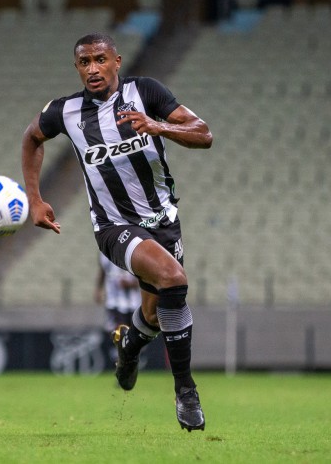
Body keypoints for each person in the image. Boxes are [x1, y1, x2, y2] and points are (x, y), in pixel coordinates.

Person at [21, 33, 212, 431]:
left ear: (116, 61)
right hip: (113, 226)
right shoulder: (66, 111)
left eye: (100, 59)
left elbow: (203, 134)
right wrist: (35, 200)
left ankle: (129, 346)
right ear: (77, 68)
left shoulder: (146, 93)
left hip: (163, 222)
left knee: (154, 313)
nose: (93, 68)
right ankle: (186, 392)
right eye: (85, 62)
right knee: (174, 279)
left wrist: (158, 127)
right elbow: (32, 137)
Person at [94, 252, 142, 346]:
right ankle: (118, 355)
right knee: (116, 333)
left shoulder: (132, 249)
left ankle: (133, 356)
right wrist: (98, 289)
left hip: (133, 304)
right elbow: (103, 270)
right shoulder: (104, 251)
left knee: (135, 336)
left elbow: (145, 277)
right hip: (113, 302)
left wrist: (131, 284)